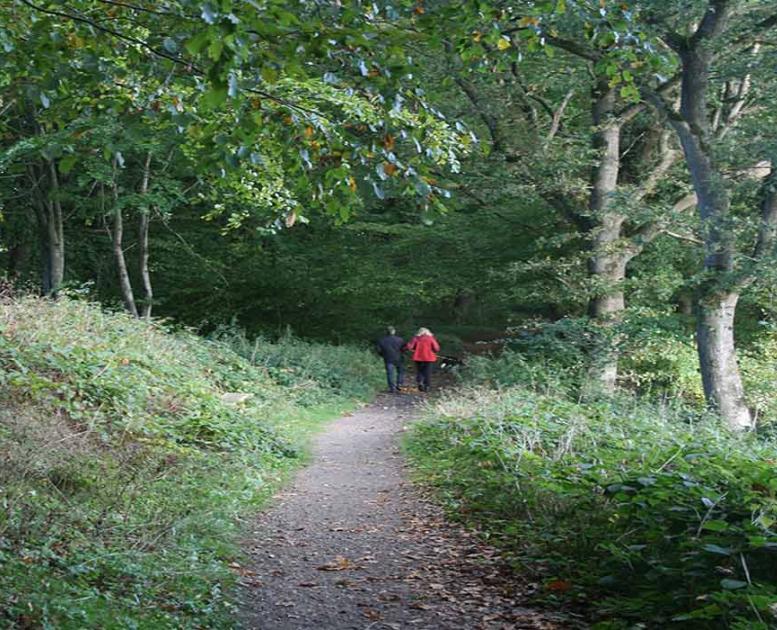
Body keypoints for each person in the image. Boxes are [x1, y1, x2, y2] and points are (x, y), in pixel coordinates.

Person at [404, 327, 440, 392]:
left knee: (419, 371)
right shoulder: (431, 338)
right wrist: (433, 351)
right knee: (427, 372)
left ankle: (420, 383)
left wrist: (413, 349)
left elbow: (409, 347)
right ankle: (427, 386)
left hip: (418, 357)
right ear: (428, 332)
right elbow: (436, 348)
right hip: (429, 358)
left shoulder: (416, 338)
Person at [376, 326, 405, 393]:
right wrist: (401, 353)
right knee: (400, 372)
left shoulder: (382, 340)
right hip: (399, 358)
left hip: (388, 358)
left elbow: (378, 350)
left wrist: (383, 355)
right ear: (394, 331)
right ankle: (399, 384)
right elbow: (404, 348)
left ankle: (392, 388)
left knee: (390, 373)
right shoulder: (400, 339)